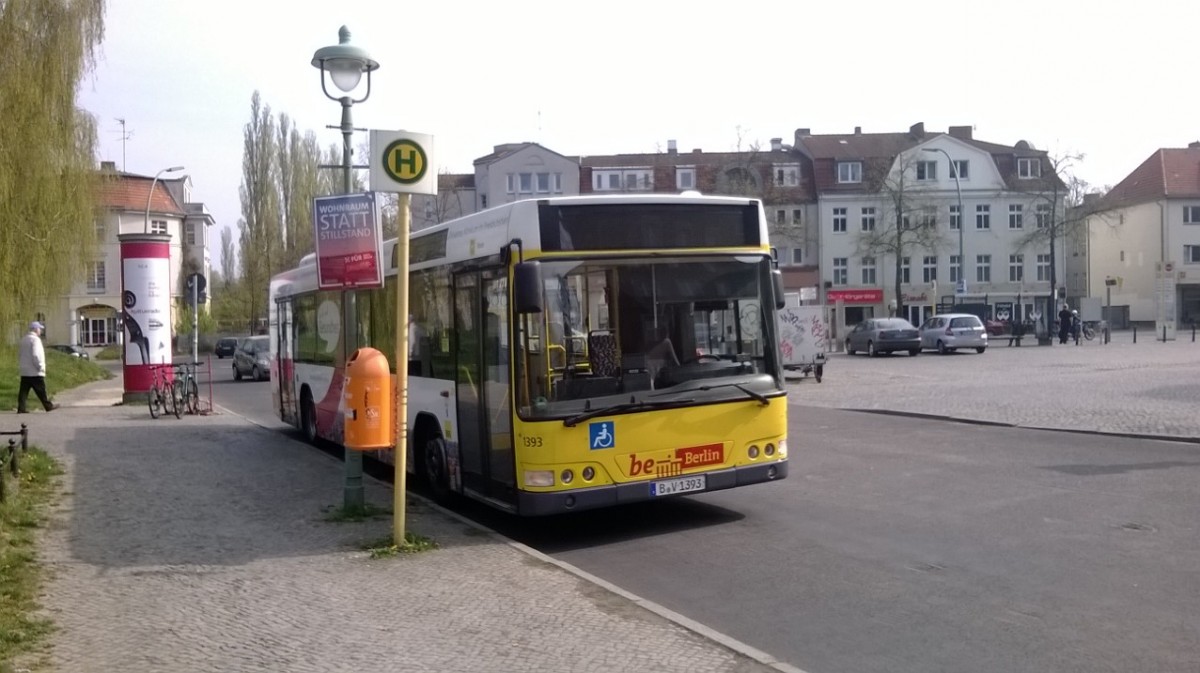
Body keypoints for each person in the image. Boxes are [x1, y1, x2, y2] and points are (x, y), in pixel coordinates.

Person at [17, 321, 59, 413]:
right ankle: (48, 406)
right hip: (35, 370)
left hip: (25, 370)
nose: (40, 331)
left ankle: (21, 408)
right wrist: (40, 366)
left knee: (23, 391)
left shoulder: (24, 339)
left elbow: (20, 354)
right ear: (36, 329)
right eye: (40, 329)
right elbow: (36, 355)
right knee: (41, 390)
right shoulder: (35, 340)